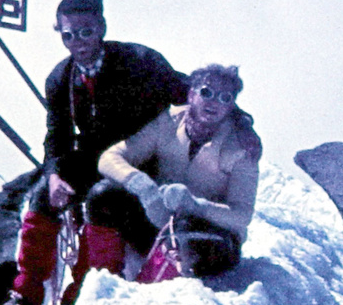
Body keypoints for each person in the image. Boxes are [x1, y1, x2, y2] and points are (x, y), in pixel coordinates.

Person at [0, 0, 187, 305]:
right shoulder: (61, 80)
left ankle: (82, 297)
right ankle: (26, 299)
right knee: (43, 199)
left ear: (102, 27)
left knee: (100, 199)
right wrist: (53, 176)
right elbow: (57, 138)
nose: (78, 42)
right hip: (93, 158)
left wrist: (238, 123)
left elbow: (189, 94)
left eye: (86, 31)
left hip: (143, 163)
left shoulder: (140, 62)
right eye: (68, 35)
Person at [99, 64, 262, 279]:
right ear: (191, 94)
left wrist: (196, 206)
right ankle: (104, 278)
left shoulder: (242, 146)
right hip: (159, 218)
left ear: (232, 105)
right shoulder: (168, 122)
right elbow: (109, 157)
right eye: (207, 92)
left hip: (211, 236)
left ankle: (148, 292)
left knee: (185, 237)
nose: (214, 102)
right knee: (102, 196)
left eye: (225, 98)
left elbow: (242, 216)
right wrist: (141, 185)